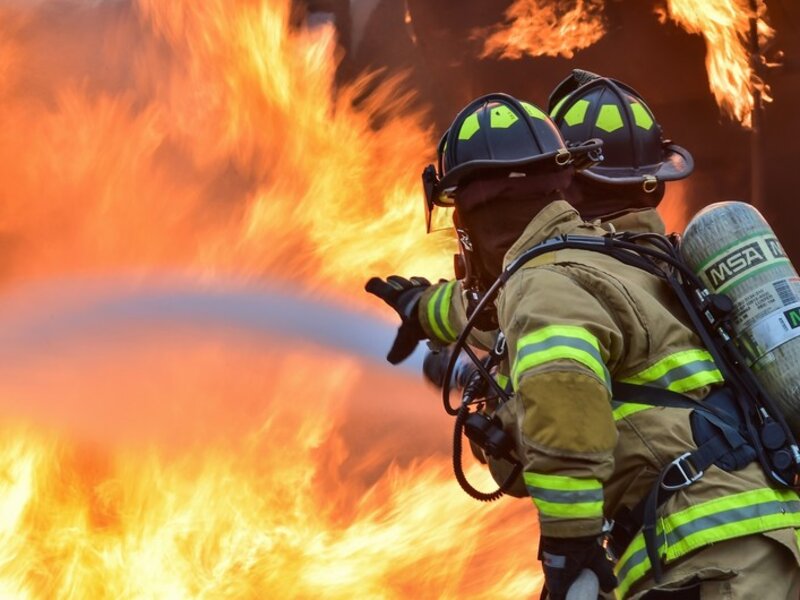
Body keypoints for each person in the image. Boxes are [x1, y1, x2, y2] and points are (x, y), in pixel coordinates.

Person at [366, 76, 800, 600]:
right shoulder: (616, 259)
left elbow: (564, 405)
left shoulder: (543, 281)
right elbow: (491, 310)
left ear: (472, 218)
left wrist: (568, 551)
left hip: (708, 557)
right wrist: (423, 309)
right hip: (757, 541)